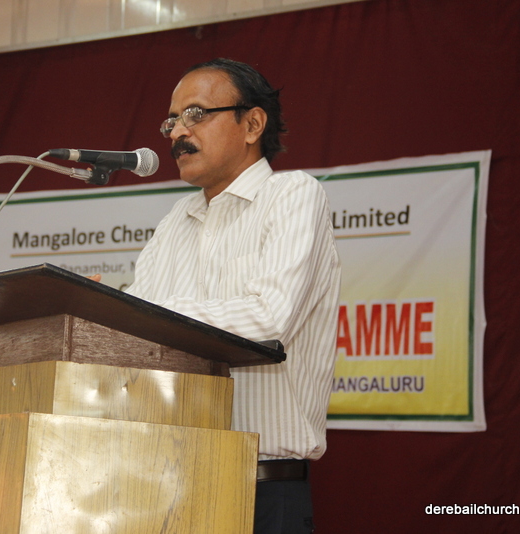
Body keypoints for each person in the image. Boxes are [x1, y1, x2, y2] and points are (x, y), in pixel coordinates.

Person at [125, 58, 341, 533]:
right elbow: (134, 335)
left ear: (253, 124)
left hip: (261, 492)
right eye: (171, 120)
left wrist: (141, 313)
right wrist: (96, 312)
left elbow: (269, 320)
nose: (178, 132)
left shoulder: (292, 196)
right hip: (166, 484)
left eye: (196, 114)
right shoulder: (174, 222)